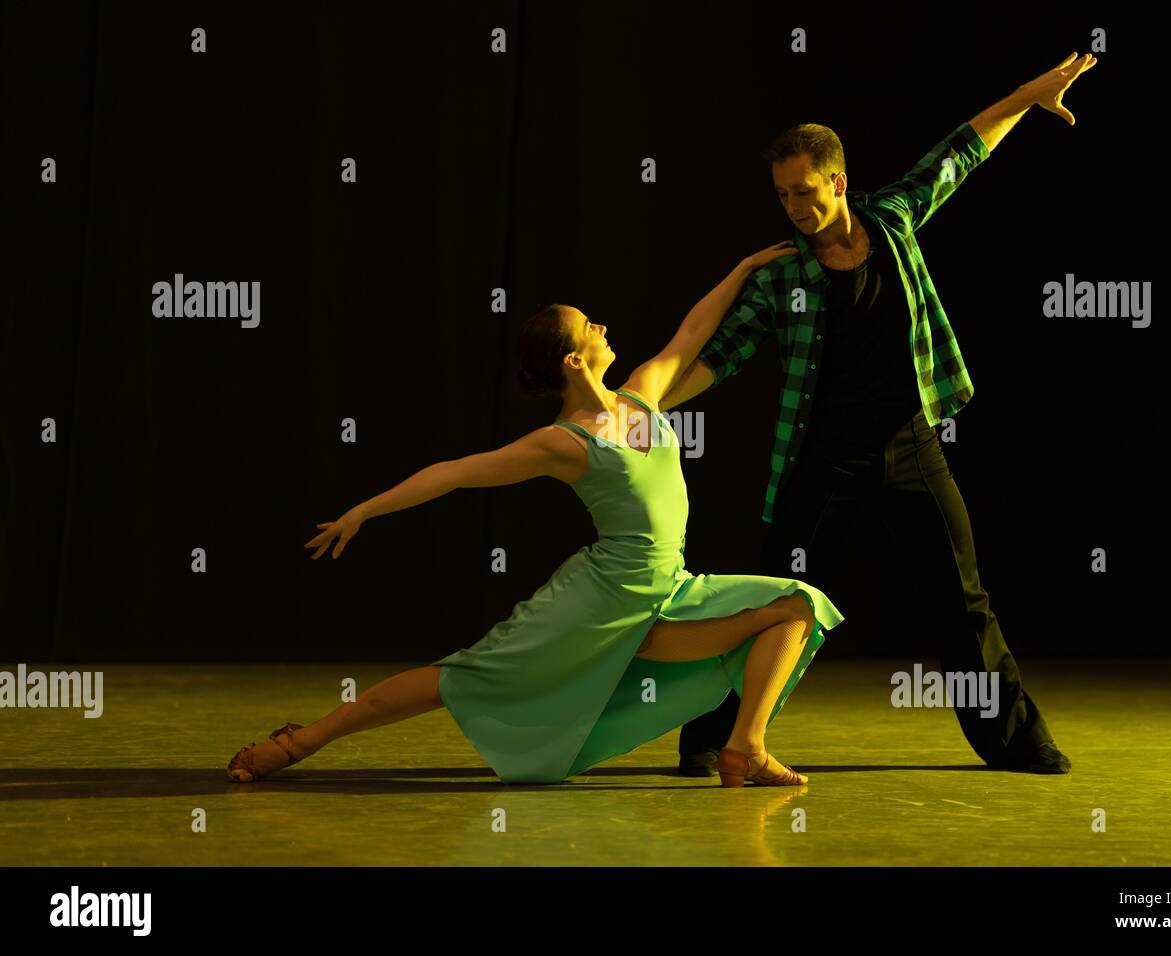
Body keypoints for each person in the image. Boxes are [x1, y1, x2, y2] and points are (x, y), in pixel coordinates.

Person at [226, 240, 846, 788]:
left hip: (669, 592)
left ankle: (745, 747)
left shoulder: (643, 395)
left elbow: (692, 331)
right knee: (461, 677)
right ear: (574, 360)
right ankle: (300, 742)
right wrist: (364, 509)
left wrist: (743, 268)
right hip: (600, 601)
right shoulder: (562, 442)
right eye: (588, 327)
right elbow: (454, 472)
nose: (602, 326)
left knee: (798, 606)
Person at [665, 53, 1098, 778]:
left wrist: (1026, 95)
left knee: (965, 598)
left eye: (805, 191)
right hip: (823, 457)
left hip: (910, 445)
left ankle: (1018, 741)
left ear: (837, 181)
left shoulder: (893, 220)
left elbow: (959, 154)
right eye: (782, 195)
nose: (794, 206)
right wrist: (643, 406)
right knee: (775, 600)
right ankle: (709, 738)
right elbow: (723, 355)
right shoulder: (782, 273)